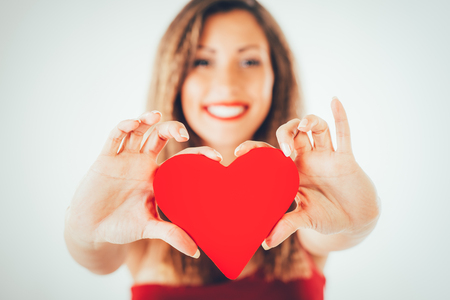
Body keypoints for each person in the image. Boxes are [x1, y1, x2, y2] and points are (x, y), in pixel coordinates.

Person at [64, 0, 380, 299]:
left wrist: (361, 217)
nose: (227, 84)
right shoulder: (143, 204)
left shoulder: (302, 205)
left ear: (276, 76)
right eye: (201, 60)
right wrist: (84, 229)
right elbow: (97, 258)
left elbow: (340, 232)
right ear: (173, 76)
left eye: (249, 60)